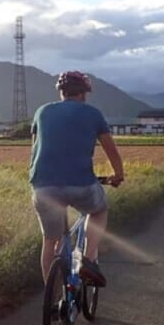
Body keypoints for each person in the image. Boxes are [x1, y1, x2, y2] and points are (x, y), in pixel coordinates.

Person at [30, 71, 125, 288]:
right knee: (99, 210)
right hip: (80, 183)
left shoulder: (42, 112)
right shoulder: (93, 114)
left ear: (61, 92)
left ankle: (51, 298)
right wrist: (118, 175)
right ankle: (89, 260)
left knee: (50, 241)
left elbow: (34, 149)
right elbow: (111, 151)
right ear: (84, 94)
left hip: (42, 186)